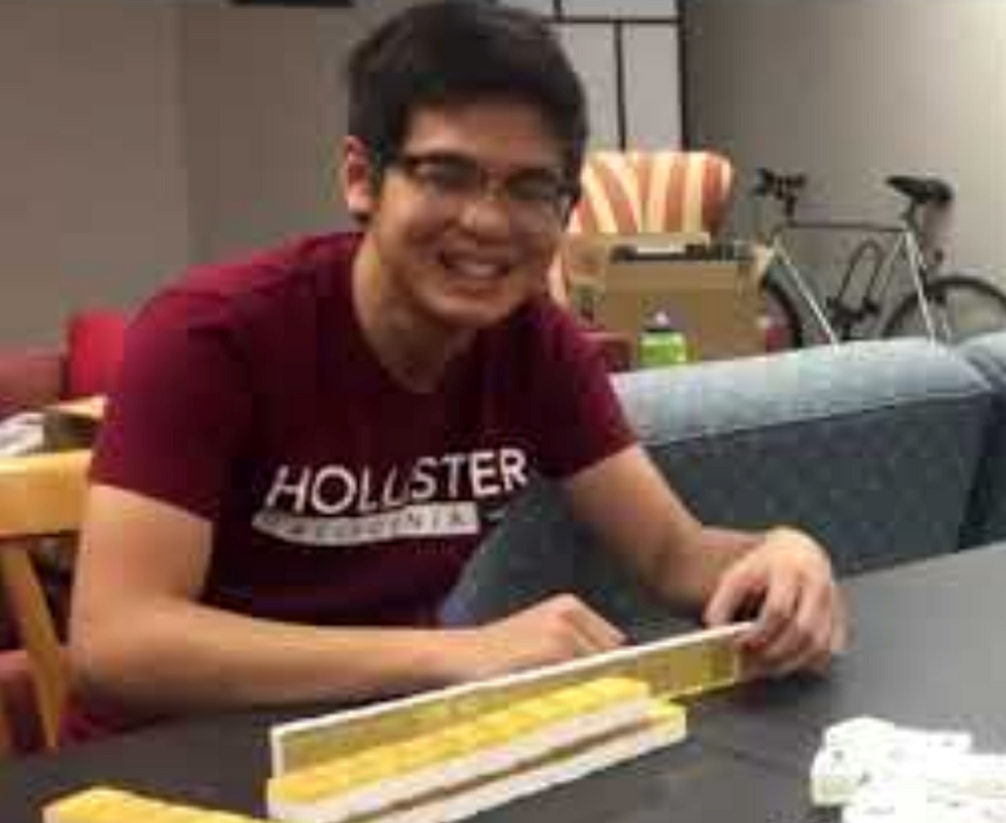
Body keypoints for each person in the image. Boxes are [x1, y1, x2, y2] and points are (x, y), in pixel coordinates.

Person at [69, 0, 845, 718]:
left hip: (391, 749)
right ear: (361, 178)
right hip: (164, 773)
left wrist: (779, 553)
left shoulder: (537, 345)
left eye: (531, 189)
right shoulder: (212, 334)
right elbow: (117, 641)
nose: (487, 222)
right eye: (446, 175)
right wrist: (457, 653)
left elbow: (672, 553)